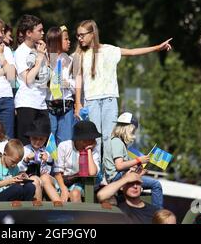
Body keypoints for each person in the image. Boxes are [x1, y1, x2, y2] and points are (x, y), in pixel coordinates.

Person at [73, 20, 172, 160]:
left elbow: (132, 52)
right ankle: (95, 173)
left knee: (109, 137)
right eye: (77, 35)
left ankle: (109, 172)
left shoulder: (109, 50)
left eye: (82, 35)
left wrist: (157, 48)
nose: (79, 38)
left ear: (92, 34)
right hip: (91, 100)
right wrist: (78, 103)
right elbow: (78, 79)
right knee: (94, 139)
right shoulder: (79, 55)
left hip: (109, 100)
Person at [103, 112, 164, 209]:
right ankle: (158, 214)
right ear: (129, 129)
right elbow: (119, 166)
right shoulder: (117, 142)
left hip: (118, 176)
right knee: (156, 185)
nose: (134, 133)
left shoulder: (117, 141)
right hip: (118, 178)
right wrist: (139, 159)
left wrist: (137, 169)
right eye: (133, 131)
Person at [14, 14, 50, 145]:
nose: (43, 33)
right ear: (29, 33)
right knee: (26, 144)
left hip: (41, 102)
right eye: (39, 30)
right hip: (27, 103)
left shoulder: (40, 49)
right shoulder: (21, 52)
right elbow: (28, 79)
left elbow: (46, 75)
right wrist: (40, 57)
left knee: (43, 144)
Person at [46, 120, 101, 203]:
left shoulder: (93, 150)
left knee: (75, 193)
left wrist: (89, 150)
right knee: (44, 178)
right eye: (91, 138)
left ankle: (77, 215)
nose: (94, 140)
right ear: (81, 140)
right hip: (62, 180)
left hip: (79, 183)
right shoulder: (64, 146)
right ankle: (59, 204)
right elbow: (58, 171)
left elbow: (92, 172)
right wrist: (63, 188)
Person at [45, 26, 76, 144]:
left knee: (66, 140)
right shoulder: (46, 58)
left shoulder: (70, 60)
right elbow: (41, 82)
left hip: (66, 103)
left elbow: (76, 83)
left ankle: (64, 163)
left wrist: (68, 84)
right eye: (66, 39)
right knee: (50, 138)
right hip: (49, 103)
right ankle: (49, 162)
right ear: (57, 41)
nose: (69, 42)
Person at [18, 116, 54, 201]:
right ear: (30, 137)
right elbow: (18, 169)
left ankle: (59, 204)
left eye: (41, 139)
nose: (37, 141)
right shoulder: (24, 150)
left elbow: (49, 172)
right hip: (29, 179)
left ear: (46, 139)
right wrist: (25, 160)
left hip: (46, 180)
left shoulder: (48, 151)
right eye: (34, 138)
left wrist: (48, 160)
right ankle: (38, 208)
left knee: (44, 178)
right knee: (34, 180)